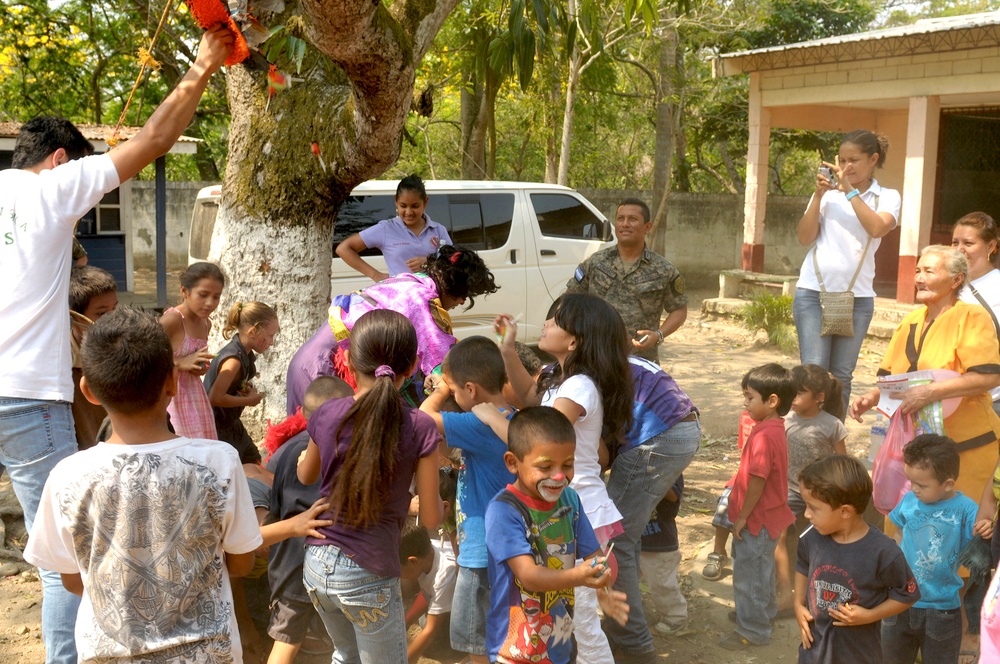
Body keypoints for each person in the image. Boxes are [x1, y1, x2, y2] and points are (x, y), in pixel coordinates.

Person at [0, 25, 233, 664]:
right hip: (22, 395)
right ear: (58, 161)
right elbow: (155, 138)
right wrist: (208, 61)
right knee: (65, 554)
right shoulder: (50, 191)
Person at [22, 306, 262, 661]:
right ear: (172, 381)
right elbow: (242, 563)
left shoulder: (67, 476)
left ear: (87, 390)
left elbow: (72, 580)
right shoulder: (219, 461)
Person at [476, 294, 634, 663]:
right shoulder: (561, 380)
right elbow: (531, 402)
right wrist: (508, 349)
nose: (545, 324)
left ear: (574, 340)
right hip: (558, 509)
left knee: (583, 629)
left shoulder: (579, 386)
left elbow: (541, 435)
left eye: (554, 320)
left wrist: (488, 415)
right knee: (569, 622)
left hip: (577, 509)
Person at [297, 309, 443, 664]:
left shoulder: (327, 414)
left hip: (316, 563)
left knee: (346, 655)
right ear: (412, 367)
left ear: (347, 360)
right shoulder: (420, 426)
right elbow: (431, 518)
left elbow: (305, 476)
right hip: (368, 569)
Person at [850, 246, 1000, 520]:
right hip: (918, 451)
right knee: (909, 532)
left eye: (929, 271)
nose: (919, 277)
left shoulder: (971, 317)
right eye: (917, 270)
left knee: (961, 531)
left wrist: (930, 392)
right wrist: (872, 398)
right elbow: (895, 380)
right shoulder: (910, 321)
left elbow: (988, 376)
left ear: (956, 280)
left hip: (966, 446)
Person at [484, 407, 629, 664]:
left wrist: (602, 587)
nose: (559, 476)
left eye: (568, 465)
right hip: (515, 648)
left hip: (560, 640)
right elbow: (528, 577)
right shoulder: (503, 511)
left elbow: (595, 557)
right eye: (545, 466)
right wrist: (578, 577)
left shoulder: (570, 501)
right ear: (512, 462)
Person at [285, 244, 497, 413]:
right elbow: (441, 364)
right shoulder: (421, 300)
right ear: (451, 286)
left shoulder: (411, 281)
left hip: (314, 356)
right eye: (464, 295)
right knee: (318, 443)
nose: (461, 303)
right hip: (327, 365)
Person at [418, 336, 515, 664]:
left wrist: (441, 388)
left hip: (480, 554)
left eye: (457, 390)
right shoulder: (513, 418)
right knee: (505, 635)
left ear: (471, 390)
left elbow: (423, 417)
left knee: (478, 645)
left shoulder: (478, 422)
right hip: (509, 548)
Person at [793, 129, 902, 415]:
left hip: (857, 298)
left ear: (873, 160)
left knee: (841, 376)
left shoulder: (887, 197)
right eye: (842, 160)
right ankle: (806, 439)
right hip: (813, 294)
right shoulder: (828, 196)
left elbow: (879, 227)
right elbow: (804, 237)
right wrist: (818, 195)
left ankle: (833, 443)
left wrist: (850, 192)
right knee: (813, 372)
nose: (846, 167)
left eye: (854, 160)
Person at [604, 355, 701, 664]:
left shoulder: (585, 372)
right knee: (622, 542)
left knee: (615, 539)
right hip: (671, 432)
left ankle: (634, 641)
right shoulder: (619, 361)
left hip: (658, 439)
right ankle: (630, 631)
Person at [795, 455, 920, 664]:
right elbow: (802, 564)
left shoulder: (883, 551)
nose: (807, 514)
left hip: (858, 654)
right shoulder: (811, 538)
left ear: (845, 511)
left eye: (813, 507)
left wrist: (870, 616)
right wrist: (798, 604)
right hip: (813, 651)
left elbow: (908, 595)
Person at [881, 434, 992, 664]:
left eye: (922, 485)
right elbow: (898, 533)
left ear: (948, 483)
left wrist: (988, 527)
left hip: (942, 609)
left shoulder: (966, 510)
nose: (914, 489)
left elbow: (982, 535)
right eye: (911, 482)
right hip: (899, 602)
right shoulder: (909, 501)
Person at [265, 376, 353, 664]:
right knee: (288, 642)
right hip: (305, 567)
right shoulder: (331, 454)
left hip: (284, 563)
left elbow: (277, 505)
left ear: (302, 412)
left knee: (290, 639)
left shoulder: (288, 450)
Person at [719, 363, 796, 651]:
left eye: (750, 397)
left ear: (772, 400)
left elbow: (757, 482)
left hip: (756, 520)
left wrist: (742, 518)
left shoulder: (764, 435)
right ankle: (759, 615)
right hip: (767, 518)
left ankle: (752, 629)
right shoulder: (774, 428)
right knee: (760, 573)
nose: (745, 402)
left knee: (749, 576)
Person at [565, 197, 687, 362]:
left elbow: (679, 309)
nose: (625, 224)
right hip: (597, 359)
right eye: (620, 219)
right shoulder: (595, 263)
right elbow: (569, 300)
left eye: (633, 219)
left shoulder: (663, 269)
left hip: (641, 362)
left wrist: (658, 335)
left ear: (647, 227)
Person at [776, 365, 848, 611]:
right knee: (779, 534)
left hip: (821, 492)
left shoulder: (832, 425)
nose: (792, 399)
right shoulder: (784, 420)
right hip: (790, 490)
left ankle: (818, 590)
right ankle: (786, 592)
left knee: (823, 538)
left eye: (798, 393)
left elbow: (842, 464)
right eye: (790, 392)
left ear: (819, 397)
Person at [336, 174, 451, 281]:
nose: (409, 212)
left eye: (415, 206)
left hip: (433, 299)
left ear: (425, 202)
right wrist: (376, 275)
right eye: (403, 206)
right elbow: (343, 249)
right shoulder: (386, 229)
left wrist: (430, 261)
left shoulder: (438, 230)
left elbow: (455, 263)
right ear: (396, 201)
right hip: (398, 299)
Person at [204, 301, 279, 464]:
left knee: (254, 460)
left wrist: (243, 388)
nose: (272, 342)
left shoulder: (244, 353)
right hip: (218, 430)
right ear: (253, 331)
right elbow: (214, 397)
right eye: (270, 336)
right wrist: (249, 401)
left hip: (232, 425)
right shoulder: (233, 361)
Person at [160, 261, 225, 439]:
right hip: (170, 398)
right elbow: (143, 359)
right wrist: (180, 363)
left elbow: (194, 361)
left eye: (216, 297)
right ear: (184, 291)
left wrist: (200, 366)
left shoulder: (206, 323)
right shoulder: (172, 320)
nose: (210, 303)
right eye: (203, 295)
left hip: (195, 397)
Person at [952, 211, 1000, 416]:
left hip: (991, 401)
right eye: (955, 242)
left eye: (968, 243)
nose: (959, 250)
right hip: (948, 398)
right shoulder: (948, 285)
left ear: (990, 246)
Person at [68, 265, 118, 450]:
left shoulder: (124, 350)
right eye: (102, 313)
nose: (112, 320)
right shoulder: (63, 364)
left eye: (115, 309)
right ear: (75, 315)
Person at [639, 476, 688, 636]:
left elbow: (673, 495)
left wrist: (654, 476)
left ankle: (675, 616)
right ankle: (638, 611)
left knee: (662, 582)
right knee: (628, 578)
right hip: (635, 540)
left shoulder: (671, 467)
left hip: (660, 542)